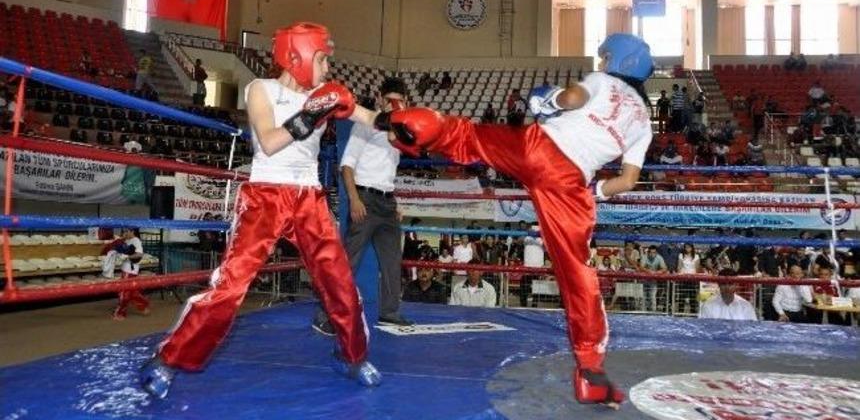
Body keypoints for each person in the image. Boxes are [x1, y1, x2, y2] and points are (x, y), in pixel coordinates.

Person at [374, 33, 654, 406]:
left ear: (616, 61)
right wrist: (593, 194)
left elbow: (572, 98)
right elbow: (628, 181)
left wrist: (551, 100)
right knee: (577, 272)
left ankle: (406, 126)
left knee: (469, 135)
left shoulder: (603, 82)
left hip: (539, 149)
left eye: (604, 57)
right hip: (572, 182)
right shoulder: (645, 122)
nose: (600, 63)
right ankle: (591, 371)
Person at [140, 22, 383, 399]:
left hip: (310, 198)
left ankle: (353, 356)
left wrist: (401, 123)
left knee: (339, 281)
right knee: (230, 285)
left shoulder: (326, 94)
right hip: (265, 195)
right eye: (322, 60)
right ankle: (168, 360)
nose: (327, 69)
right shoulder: (260, 89)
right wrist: (311, 114)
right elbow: (269, 142)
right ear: (297, 56)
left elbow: (369, 119)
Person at [312, 77, 413, 335]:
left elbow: (386, 170)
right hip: (365, 200)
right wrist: (355, 198)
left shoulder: (401, 133)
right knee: (348, 262)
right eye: (388, 100)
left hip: (387, 202)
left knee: (392, 261)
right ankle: (326, 315)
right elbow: (346, 166)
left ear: (405, 103)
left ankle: (390, 312)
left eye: (397, 101)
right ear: (380, 99)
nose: (392, 105)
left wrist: (394, 201)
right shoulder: (366, 125)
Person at [111, 228, 150, 320]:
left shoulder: (136, 240)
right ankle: (144, 305)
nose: (125, 233)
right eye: (124, 231)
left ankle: (120, 313)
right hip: (127, 270)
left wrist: (127, 257)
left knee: (124, 292)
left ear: (132, 231)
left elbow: (139, 255)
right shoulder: (127, 240)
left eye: (127, 231)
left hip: (130, 271)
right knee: (132, 292)